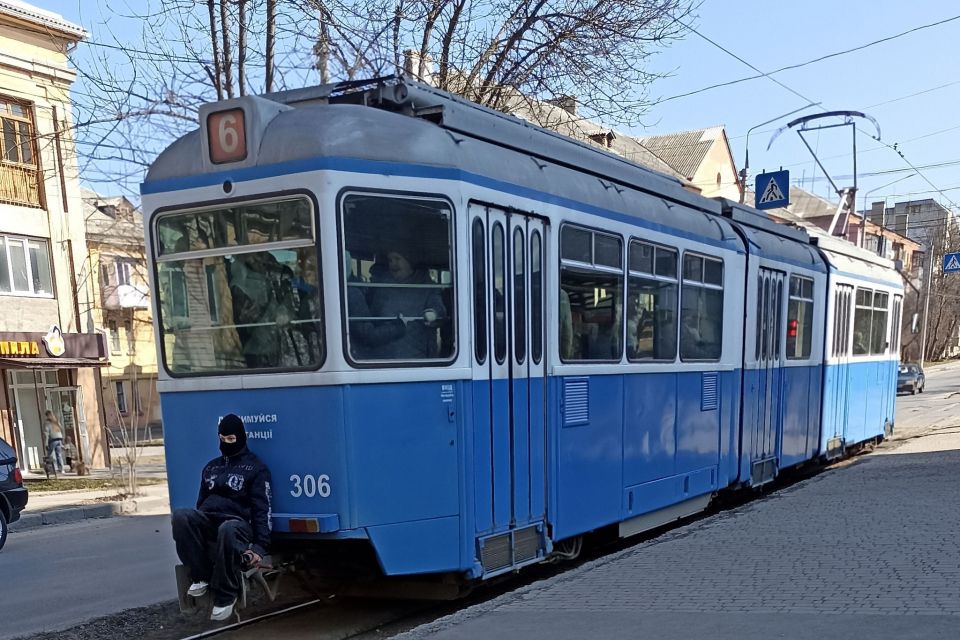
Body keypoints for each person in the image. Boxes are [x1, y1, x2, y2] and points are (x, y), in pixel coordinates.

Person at [171, 415, 273, 621]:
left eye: (230, 440)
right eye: (222, 439)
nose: (225, 444)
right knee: (181, 516)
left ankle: (226, 595)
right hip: (210, 519)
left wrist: (260, 547)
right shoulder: (211, 468)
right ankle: (201, 576)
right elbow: (201, 505)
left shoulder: (256, 469)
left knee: (227, 529)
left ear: (241, 438)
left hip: (238, 523)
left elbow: (263, 509)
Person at [366, 249, 446, 359]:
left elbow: (439, 309)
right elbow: (372, 317)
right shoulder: (381, 287)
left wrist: (432, 314)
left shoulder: (427, 287)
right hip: (383, 356)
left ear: (410, 261)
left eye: (397, 259)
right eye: (390, 260)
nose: (393, 264)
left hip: (418, 357)